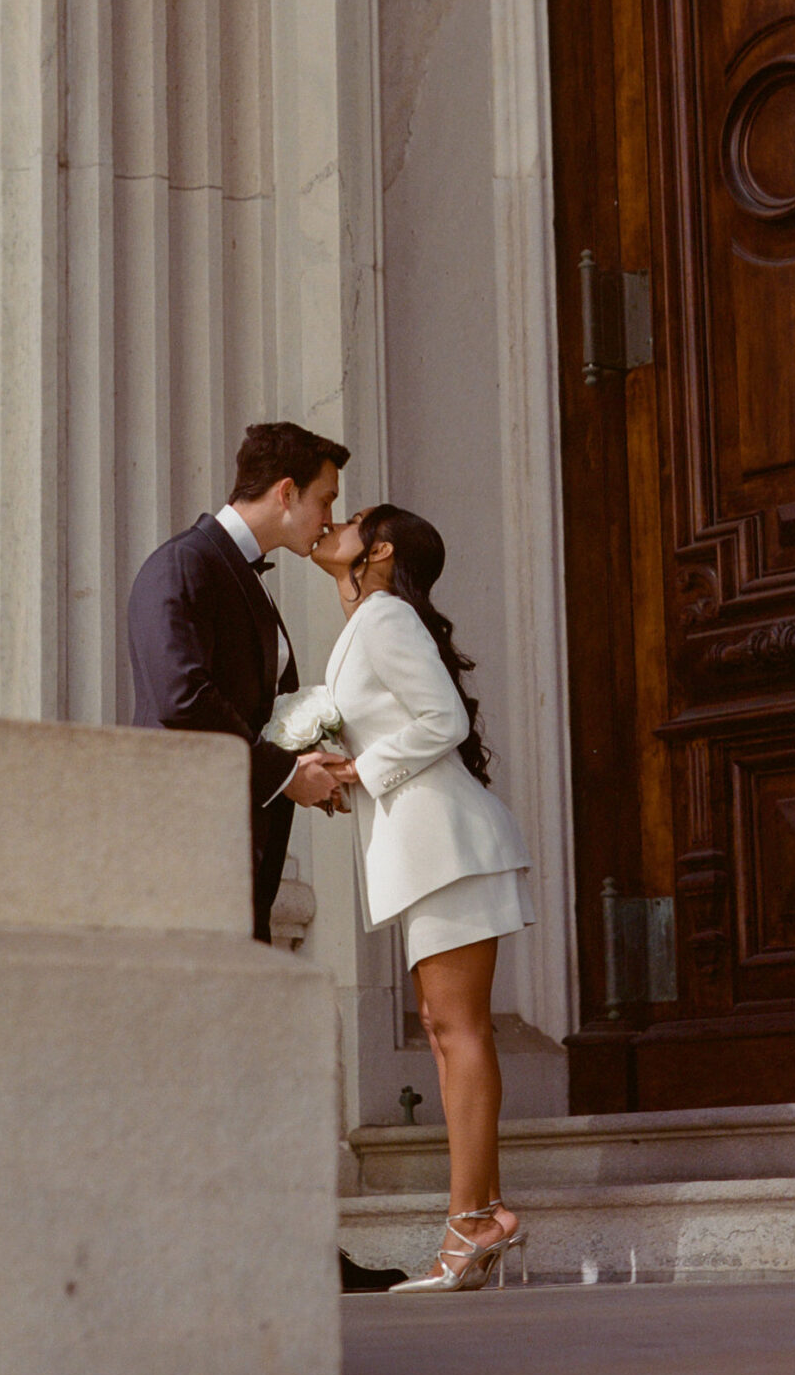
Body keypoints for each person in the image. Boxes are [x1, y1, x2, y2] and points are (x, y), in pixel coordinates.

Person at [125, 422, 406, 1294]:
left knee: (243, 1063)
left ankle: (286, 1254)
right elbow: (179, 699)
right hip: (188, 857)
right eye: (323, 498)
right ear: (284, 492)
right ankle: (226, 1257)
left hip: (233, 853)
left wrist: (307, 759)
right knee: (203, 1066)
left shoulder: (238, 577)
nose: (327, 517)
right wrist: (288, 773)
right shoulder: (181, 567)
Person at [311, 502, 534, 1293]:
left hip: (449, 844)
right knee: (444, 1030)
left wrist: (358, 771)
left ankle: (473, 1223)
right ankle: (484, 1214)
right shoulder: (368, 620)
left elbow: (438, 719)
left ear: (380, 549)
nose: (332, 522)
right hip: (423, 849)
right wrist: (343, 774)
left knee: (458, 1029)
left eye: (354, 517)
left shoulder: (385, 617)